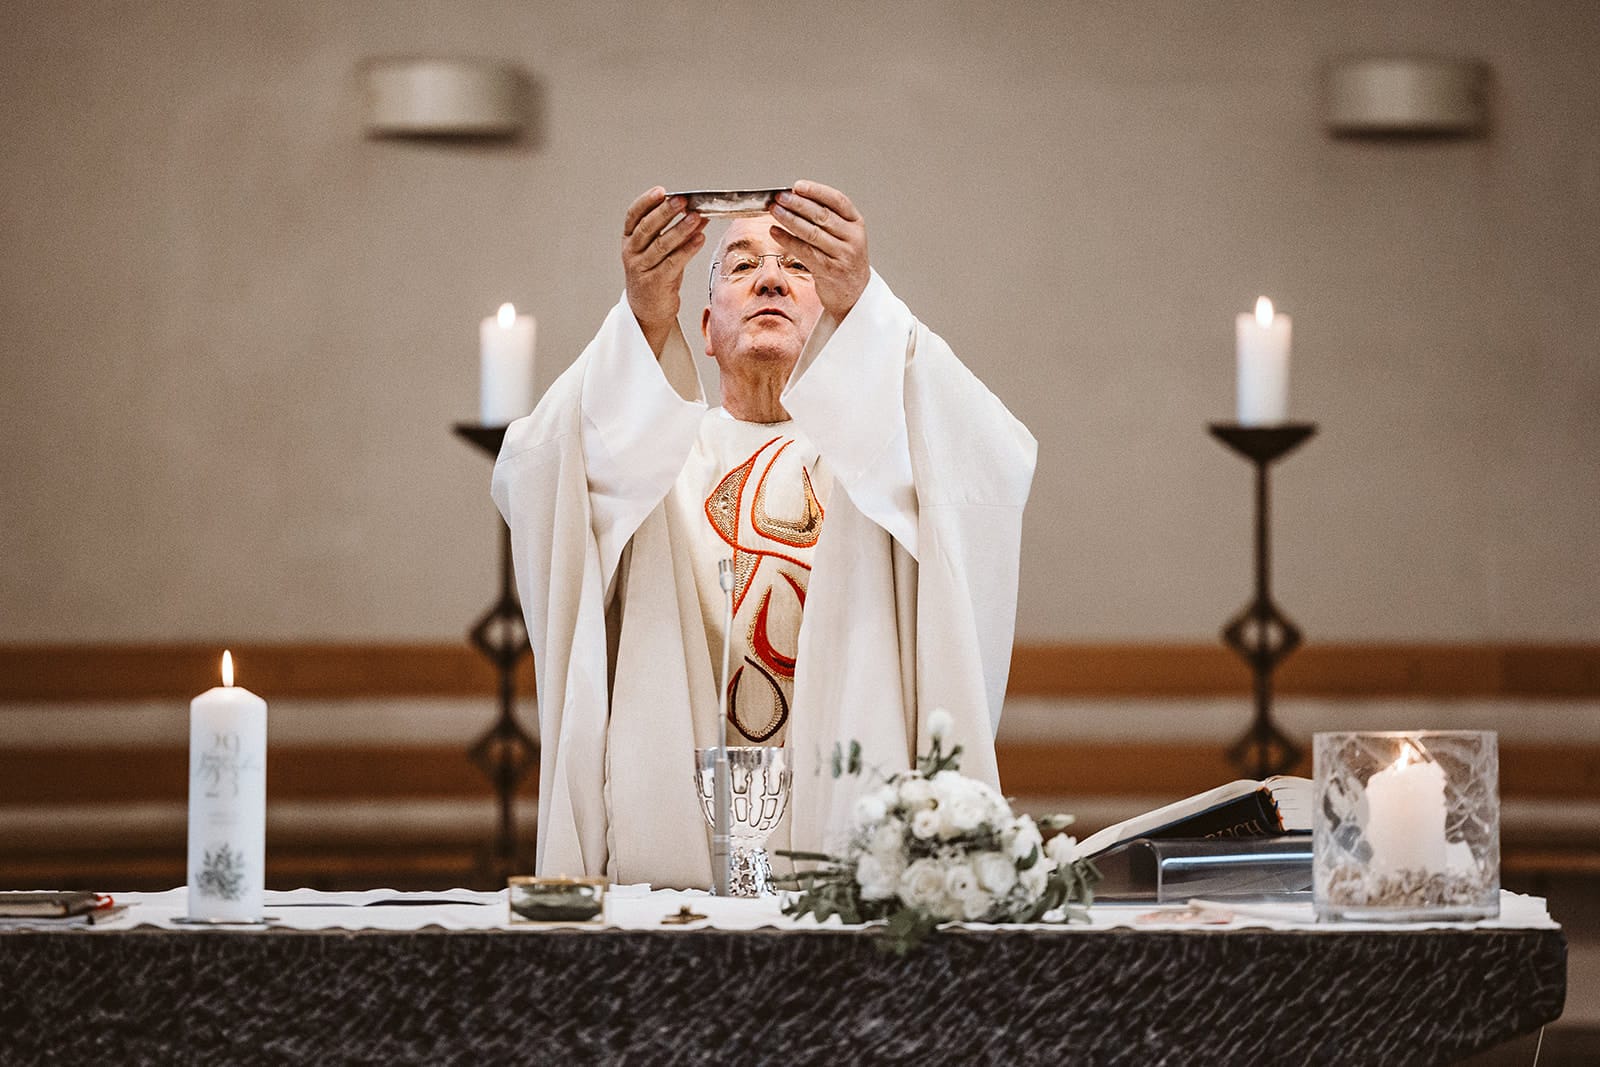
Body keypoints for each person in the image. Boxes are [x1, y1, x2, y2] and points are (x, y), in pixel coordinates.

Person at [492, 180, 1035, 888]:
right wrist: (642, 321)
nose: (771, 277)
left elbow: (988, 465)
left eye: (800, 266)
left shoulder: (877, 453)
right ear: (707, 328)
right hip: (677, 857)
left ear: (836, 319)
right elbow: (542, 474)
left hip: (850, 853)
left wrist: (869, 303)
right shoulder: (648, 456)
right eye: (742, 266)